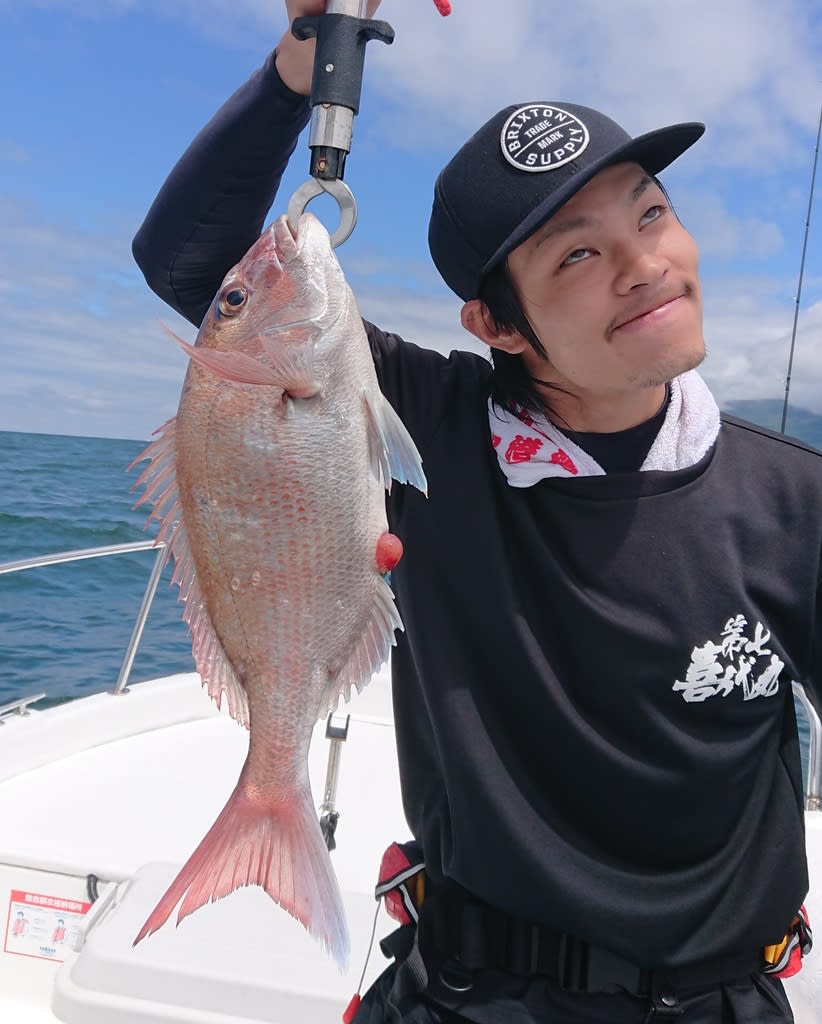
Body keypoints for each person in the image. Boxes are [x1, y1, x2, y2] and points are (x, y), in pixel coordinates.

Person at [131, 2, 820, 1021]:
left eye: (650, 212)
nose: (642, 263)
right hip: (459, 989)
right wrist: (302, 56)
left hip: (715, 1000)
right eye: (575, 256)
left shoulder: (794, 499)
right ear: (497, 324)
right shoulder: (430, 429)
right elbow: (191, 264)